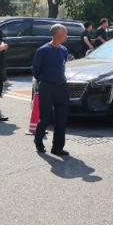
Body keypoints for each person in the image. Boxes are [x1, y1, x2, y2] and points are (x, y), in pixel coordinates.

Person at [32, 24, 70, 156]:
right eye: (65, 33)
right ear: (57, 34)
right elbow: (35, 70)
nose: (66, 35)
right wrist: (45, 80)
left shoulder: (64, 50)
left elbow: (63, 66)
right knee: (46, 117)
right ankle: (38, 141)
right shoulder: (43, 50)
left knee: (62, 117)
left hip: (61, 87)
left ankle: (57, 147)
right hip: (47, 87)